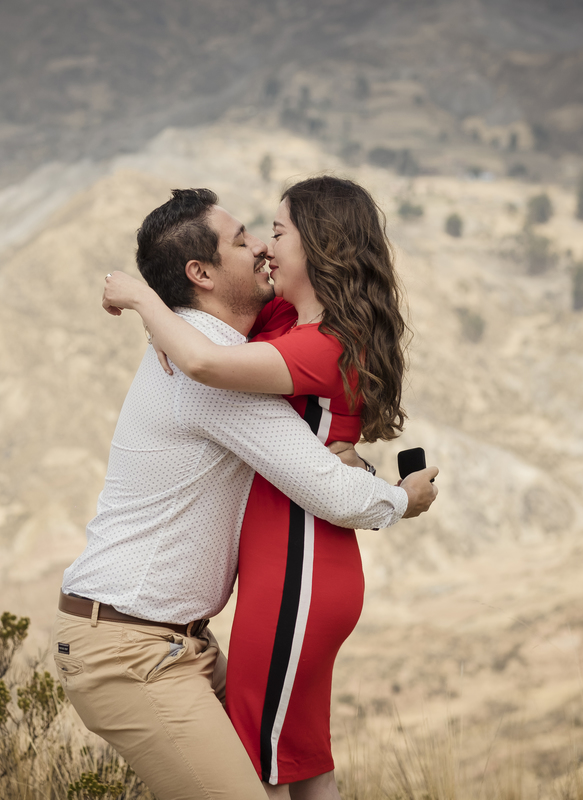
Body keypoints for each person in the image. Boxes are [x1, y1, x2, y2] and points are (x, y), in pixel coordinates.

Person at [56, 188, 439, 800]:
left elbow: (314, 409)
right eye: (242, 240)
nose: (260, 244)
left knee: (291, 765)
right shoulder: (210, 367)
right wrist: (397, 497)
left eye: (269, 232)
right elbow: (323, 483)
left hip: (174, 645)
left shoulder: (227, 343)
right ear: (201, 274)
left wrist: (156, 312)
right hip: (130, 653)